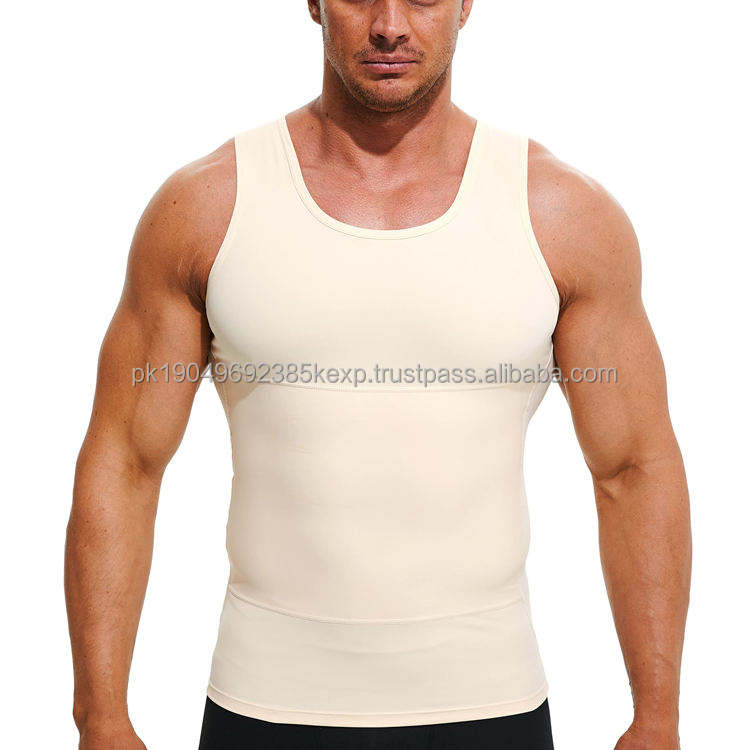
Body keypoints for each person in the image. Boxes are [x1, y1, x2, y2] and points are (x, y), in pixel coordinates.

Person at [65, 1, 692, 748]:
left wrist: (657, 719)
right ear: (313, 2)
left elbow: (633, 469)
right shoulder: (207, 207)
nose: (389, 23)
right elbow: (124, 463)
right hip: (264, 705)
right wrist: (100, 718)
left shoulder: (562, 216)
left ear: (466, 4)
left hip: (490, 703)